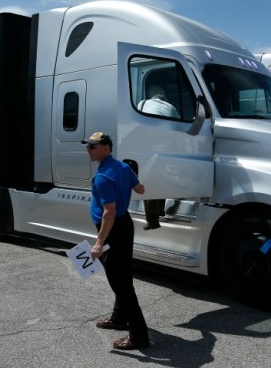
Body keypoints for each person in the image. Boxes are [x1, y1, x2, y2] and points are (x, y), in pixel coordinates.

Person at [83, 131, 150, 350]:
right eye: (88, 146)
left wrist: (99, 243)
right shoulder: (123, 167)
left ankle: (139, 336)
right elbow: (140, 188)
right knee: (122, 274)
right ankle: (119, 318)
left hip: (113, 228)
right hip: (124, 225)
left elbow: (108, 212)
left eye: (93, 146)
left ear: (106, 148)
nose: (89, 150)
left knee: (121, 284)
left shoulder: (102, 177)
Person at [136, 87, 178, 230]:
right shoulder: (171, 107)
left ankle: (152, 220)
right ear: (164, 99)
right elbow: (177, 125)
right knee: (161, 178)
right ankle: (160, 210)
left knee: (149, 182)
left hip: (148, 145)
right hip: (165, 146)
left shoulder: (142, 103)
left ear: (152, 98)